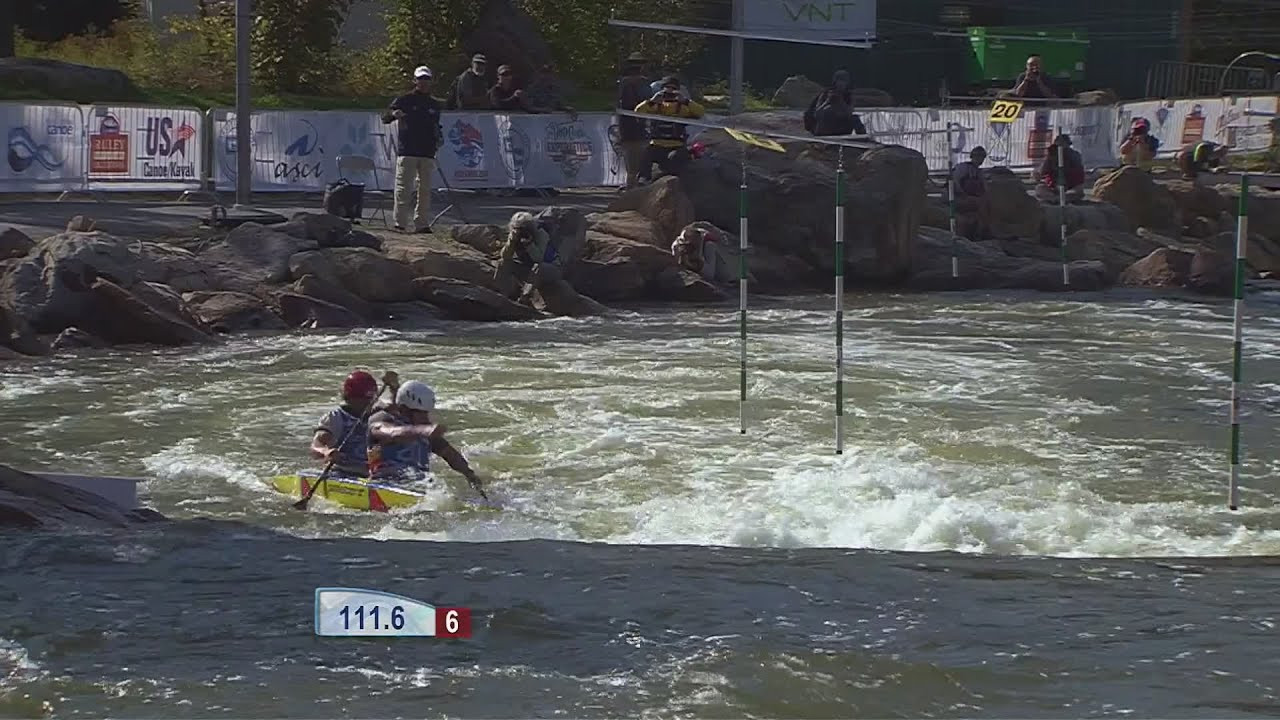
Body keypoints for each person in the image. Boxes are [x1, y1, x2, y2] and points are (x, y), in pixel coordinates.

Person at [366, 380, 484, 493]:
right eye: (420, 413)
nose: (425, 418)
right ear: (404, 409)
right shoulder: (381, 420)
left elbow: (450, 455)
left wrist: (470, 475)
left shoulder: (425, 430)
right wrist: (423, 430)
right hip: (384, 484)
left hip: (417, 487)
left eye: (426, 413)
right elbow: (392, 433)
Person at [382, 65, 444, 234]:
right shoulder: (404, 99)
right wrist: (394, 114)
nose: (423, 82)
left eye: (426, 79)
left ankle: (422, 223)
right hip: (408, 149)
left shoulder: (434, 104)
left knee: (424, 190)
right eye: (420, 79)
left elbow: (435, 125)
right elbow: (385, 116)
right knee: (403, 188)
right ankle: (400, 222)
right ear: (414, 80)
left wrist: (438, 138)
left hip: (427, 151)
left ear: (430, 82)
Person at [310, 370, 394, 477]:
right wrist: (326, 452)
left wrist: (393, 387)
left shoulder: (377, 413)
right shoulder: (335, 418)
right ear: (349, 398)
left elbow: (397, 408)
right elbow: (316, 445)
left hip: (372, 472)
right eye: (362, 400)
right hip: (342, 472)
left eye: (370, 399)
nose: (368, 404)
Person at [633, 76, 705, 181]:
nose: (670, 94)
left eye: (673, 90)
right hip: (657, 144)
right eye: (667, 90)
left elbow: (701, 112)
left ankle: (672, 180)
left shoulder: (684, 108)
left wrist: (685, 101)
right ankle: (644, 180)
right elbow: (637, 112)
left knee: (676, 158)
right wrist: (652, 101)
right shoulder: (655, 105)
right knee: (646, 154)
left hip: (676, 146)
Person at [495, 211, 557, 300]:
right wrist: (511, 241)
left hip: (549, 268)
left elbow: (539, 259)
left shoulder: (541, 234)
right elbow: (505, 256)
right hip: (527, 268)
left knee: (539, 267)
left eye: (525, 228)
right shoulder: (515, 234)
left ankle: (525, 297)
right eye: (518, 228)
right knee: (502, 263)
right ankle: (501, 294)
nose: (522, 231)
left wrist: (529, 245)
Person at [616, 52, 652, 189]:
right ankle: (631, 193)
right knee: (633, 167)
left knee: (639, 166)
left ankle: (634, 189)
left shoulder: (643, 85)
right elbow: (629, 107)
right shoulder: (627, 85)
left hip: (640, 130)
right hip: (632, 131)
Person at [803, 70, 867, 137]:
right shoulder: (825, 94)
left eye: (844, 81)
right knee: (827, 112)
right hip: (824, 127)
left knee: (855, 118)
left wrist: (841, 102)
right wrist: (827, 102)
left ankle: (863, 138)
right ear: (835, 81)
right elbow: (817, 114)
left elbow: (849, 113)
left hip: (840, 126)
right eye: (839, 80)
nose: (841, 83)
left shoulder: (848, 96)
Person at [950, 146, 990, 240]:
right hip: (958, 197)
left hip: (970, 198)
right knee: (981, 205)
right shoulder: (963, 168)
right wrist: (963, 194)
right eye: (978, 157)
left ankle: (981, 231)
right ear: (973, 156)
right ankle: (978, 233)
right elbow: (955, 182)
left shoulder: (979, 172)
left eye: (982, 158)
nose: (980, 160)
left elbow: (985, 188)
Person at [1035, 134, 1085, 203]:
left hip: (1070, 187)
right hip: (1053, 188)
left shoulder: (1074, 155)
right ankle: (1055, 199)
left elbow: (1079, 175)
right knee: (1040, 189)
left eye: (1064, 145)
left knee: (1078, 191)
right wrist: (1050, 158)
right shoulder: (1051, 156)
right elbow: (1041, 173)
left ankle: (1064, 199)